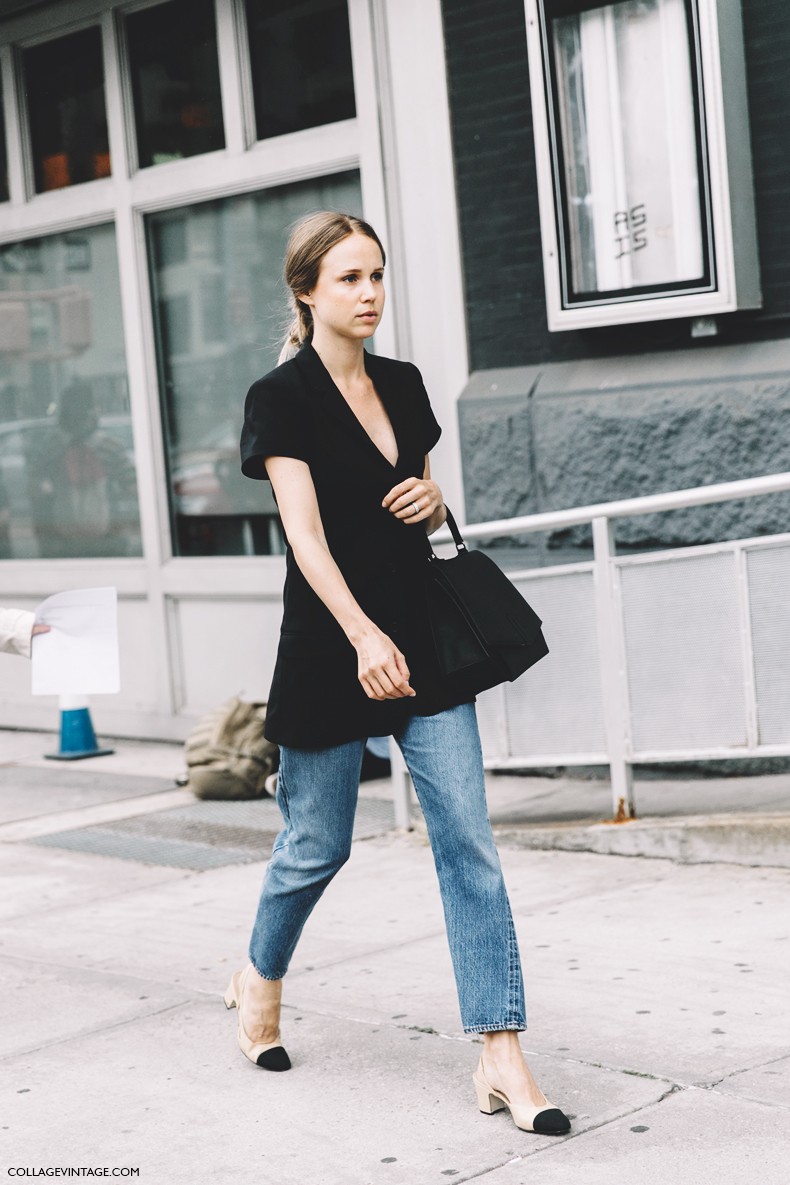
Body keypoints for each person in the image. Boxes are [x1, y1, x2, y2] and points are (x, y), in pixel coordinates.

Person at [233, 211, 570, 1137]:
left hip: (421, 639)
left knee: (468, 841)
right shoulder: (282, 397)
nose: (369, 292)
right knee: (317, 845)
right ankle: (259, 972)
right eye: (348, 278)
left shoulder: (405, 383)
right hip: (331, 643)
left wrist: (436, 496)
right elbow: (305, 537)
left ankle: (501, 1049)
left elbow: (416, 505)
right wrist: (362, 637)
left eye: (376, 274)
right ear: (307, 291)